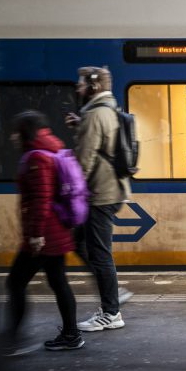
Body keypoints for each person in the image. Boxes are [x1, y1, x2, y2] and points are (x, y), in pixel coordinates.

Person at [3, 111, 84, 353]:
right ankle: (71, 335)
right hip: (55, 230)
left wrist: (36, 234)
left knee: (15, 283)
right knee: (58, 281)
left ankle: (13, 339)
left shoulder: (37, 158)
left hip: (43, 235)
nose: (12, 137)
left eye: (16, 132)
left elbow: (41, 198)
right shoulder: (51, 149)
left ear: (26, 132)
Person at [64, 66, 132, 332]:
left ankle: (111, 311)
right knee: (81, 243)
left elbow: (84, 161)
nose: (78, 88)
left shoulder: (94, 114)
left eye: (81, 84)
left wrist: (68, 193)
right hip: (109, 190)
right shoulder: (105, 110)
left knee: (100, 253)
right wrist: (80, 126)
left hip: (100, 194)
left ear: (92, 87)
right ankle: (112, 294)